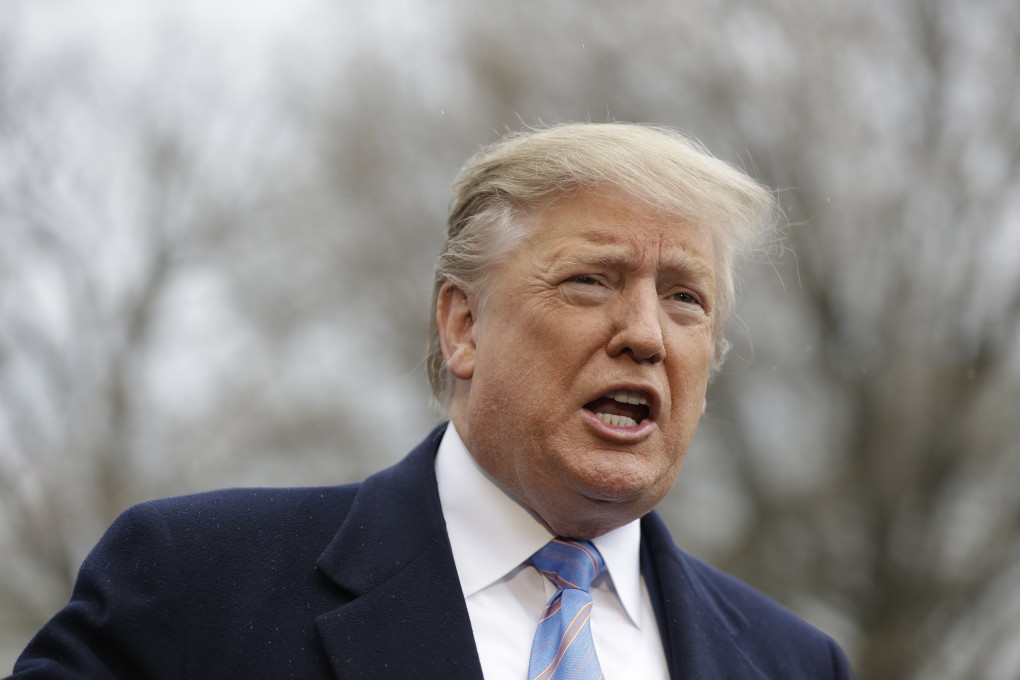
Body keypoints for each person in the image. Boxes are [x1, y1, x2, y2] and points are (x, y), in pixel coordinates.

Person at [11, 123, 854, 679]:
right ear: (463, 326)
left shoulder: (795, 664)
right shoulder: (196, 585)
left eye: (685, 299)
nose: (645, 334)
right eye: (591, 281)